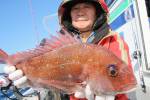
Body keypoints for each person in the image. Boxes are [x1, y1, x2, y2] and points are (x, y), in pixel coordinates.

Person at [4, 0, 133, 100]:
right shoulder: (56, 43)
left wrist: (114, 97)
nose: (80, 12)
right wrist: (22, 80)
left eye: (86, 6)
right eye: (75, 8)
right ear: (69, 15)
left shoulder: (114, 40)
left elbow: (122, 83)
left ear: (97, 11)